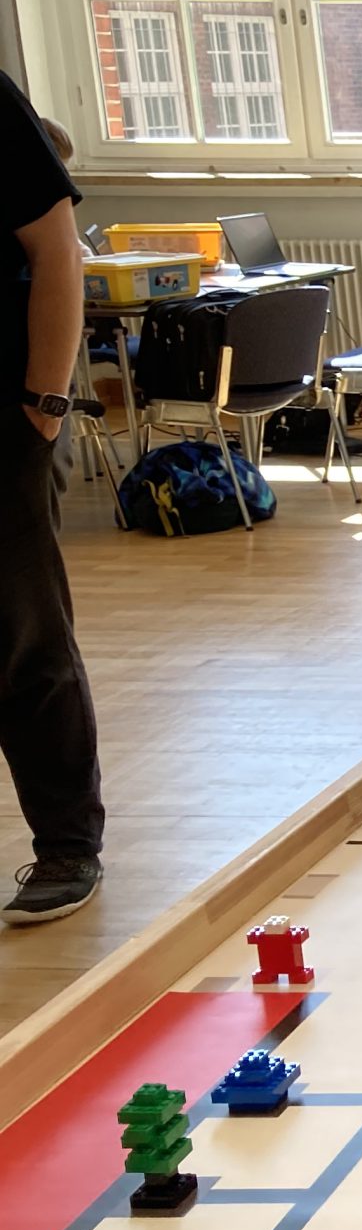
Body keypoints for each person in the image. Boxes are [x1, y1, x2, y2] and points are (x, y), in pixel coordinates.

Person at [1, 74, 106, 925]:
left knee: (22, 637)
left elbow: (57, 252)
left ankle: (67, 845)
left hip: (5, 424)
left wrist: (44, 404)